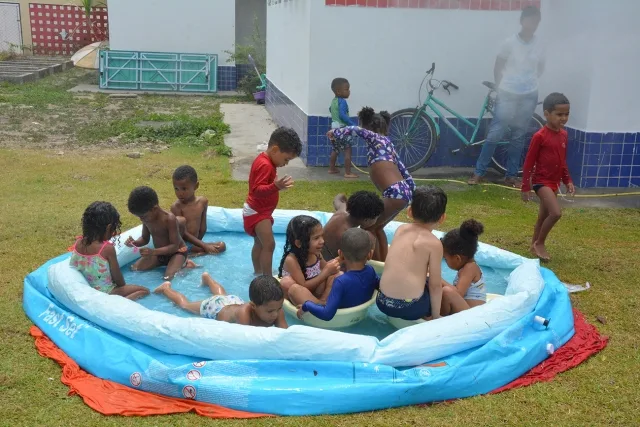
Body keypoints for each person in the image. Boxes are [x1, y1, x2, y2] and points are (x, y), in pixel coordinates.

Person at [468, 6, 544, 188]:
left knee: (518, 136)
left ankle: (511, 176)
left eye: (536, 21)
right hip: (508, 93)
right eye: (529, 19)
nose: (532, 24)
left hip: (529, 95)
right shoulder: (509, 43)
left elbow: (541, 67)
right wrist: (501, 86)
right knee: (495, 133)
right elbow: (498, 66)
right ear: (522, 21)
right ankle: (479, 173)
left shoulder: (540, 45)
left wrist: (529, 83)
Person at [327, 107, 416, 261]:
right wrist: (413, 193)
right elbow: (403, 170)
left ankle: (373, 263)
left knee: (368, 226)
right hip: (402, 191)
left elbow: (357, 130)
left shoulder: (375, 137)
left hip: (394, 193)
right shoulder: (388, 144)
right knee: (377, 226)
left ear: (370, 128)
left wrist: (335, 133)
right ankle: (382, 261)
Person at [377, 186, 467, 321]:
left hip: (382, 302)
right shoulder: (434, 244)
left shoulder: (400, 230)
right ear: (442, 218)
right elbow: (435, 285)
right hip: (410, 308)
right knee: (438, 291)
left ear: (409, 211)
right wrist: (436, 315)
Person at [521, 92, 574, 261]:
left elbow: (562, 160)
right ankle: (540, 244)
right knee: (556, 213)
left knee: (543, 216)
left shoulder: (564, 135)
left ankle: (533, 244)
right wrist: (525, 186)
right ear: (546, 114)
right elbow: (528, 163)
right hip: (541, 182)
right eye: (559, 114)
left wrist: (568, 180)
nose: (563, 118)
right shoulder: (540, 136)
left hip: (554, 182)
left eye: (566, 114)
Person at [244, 127, 302, 275]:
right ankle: (267, 278)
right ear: (275, 149)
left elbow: (263, 186)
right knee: (269, 245)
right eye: (286, 159)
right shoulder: (265, 165)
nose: (286, 163)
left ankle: (258, 273)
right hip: (258, 212)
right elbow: (256, 190)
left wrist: (274, 187)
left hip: (257, 210)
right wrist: (275, 186)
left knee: (260, 243)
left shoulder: (266, 160)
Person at [69, 201, 150, 300]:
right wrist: (122, 287)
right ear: (108, 228)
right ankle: (122, 303)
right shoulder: (107, 249)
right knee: (144, 291)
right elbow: (119, 280)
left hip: (88, 289)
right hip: (108, 292)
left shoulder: (79, 242)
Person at [296, 228, 379, 321]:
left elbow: (327, 314)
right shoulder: (371, 271)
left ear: (340, 254)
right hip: (359, 315)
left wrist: (307, 305)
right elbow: (380, 286)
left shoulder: (341, 281)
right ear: (370, 254)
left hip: (340, 319)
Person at [154, 273, 288, 328]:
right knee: (185, 305)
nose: (275, 314)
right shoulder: (244, 314)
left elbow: (286, 335)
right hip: (215, 308)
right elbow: (245, 341)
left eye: (278, 308)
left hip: (233, 302)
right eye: (270, 311)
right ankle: (166, 289)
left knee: (222, 295)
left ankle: (208, 279)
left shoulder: (275, 309)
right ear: (253, 305)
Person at [125, 186, 196, 280]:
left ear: (154, 209)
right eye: (139, 217)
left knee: (168, 278)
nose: (141, 219)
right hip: (160, 253)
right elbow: (145, 239)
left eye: (143, 216)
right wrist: (134, 243)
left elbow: (174, 246)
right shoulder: (147, 220)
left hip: (177, 253)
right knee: (134, 268)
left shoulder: (169, 219)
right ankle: (168, 264)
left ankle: (187, 265)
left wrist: (153, 252)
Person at [278, 215, 341, 305]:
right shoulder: (291, 260)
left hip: (317, 291)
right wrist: (326, 272)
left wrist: (342, 258)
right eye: (316, 238)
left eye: (321, 236)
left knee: (337, 274)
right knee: (288, 284)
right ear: (299, 243)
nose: (322, 241)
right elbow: (303, 286)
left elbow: (327, 268)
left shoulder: (316, 253)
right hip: (300, 295)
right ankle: (318, 304)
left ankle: (324, 301)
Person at [170, 165, 226, 256]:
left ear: (196, 186)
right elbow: (183, 233)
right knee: (186, 249)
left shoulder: (203, 202)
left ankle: (195, 253)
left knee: (222, 245)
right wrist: (203, 245)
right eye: (176, 189)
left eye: (184, 189)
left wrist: (200, 243)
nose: (180, 193)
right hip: (182, 243)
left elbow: (203, 227)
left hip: (197, 242)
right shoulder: (176, 207)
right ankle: (191, 254)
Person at [321, 191, 384, 261]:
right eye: (376, 218)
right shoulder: (351, 235)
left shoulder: (341, 210)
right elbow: (359, 259)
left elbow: (339, 197)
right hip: (328, 264)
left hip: (317, 255)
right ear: (366, 220)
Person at [441, 219, 487, 314]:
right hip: (466, 312)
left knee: (446, 292)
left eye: (445, 259)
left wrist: (437, 279)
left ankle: (438, 318)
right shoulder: (468, 267)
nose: (445, 261)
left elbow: (458, 293)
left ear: (457, 258)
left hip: (472, 316)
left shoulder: (470, 268)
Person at [328, 77, 358, 179]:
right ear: (338, 91)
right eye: (346, 89)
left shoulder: (333, 101)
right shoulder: (342, 102)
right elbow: (342, 115)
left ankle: (331, 168)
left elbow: (331, 110)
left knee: (335, 149)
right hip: (343, 129)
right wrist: (352, 124)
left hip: (334, 130)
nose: (349, 91)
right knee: (348, 150)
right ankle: (348, 173)